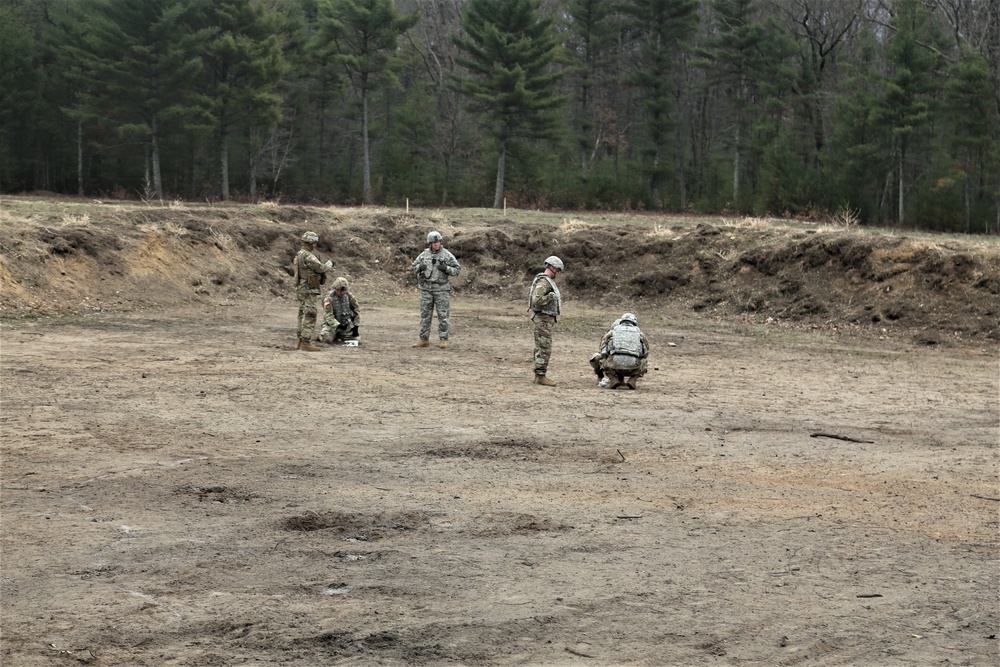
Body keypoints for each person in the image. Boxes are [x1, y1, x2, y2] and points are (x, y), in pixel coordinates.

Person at [410, 230, 460, 349]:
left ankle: (443, 339)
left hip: (441, 289)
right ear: (430, 243)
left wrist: (446, 268)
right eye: (434, 242)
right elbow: (413, 267)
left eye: (438, 242)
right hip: (426, 289)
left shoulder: (446, 255)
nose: (436, 244)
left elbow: (457, 269)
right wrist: (419, 268)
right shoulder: (424, 255)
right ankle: (424, 339)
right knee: (425, 316)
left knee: (443, 315)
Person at [293, 230, 333, 351]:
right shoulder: (308, 255)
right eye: (314, 243)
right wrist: (330, 264)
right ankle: (305, 342)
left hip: (302, 288)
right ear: (311, 243)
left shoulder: (300, 254)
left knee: (302, 313)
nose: (315, 245)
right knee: (310, 313)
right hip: (309, 289)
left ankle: (301, 340)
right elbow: (320, 268)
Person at [589, 312, 649, 389]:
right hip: (633, 366)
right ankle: (633, 379)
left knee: (603, 360)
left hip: (614, 364)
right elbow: (645, 352)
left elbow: (603, 351)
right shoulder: (639, 333)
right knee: (644, 362)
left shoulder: (613, 332)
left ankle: (612, 378)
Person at [529, 255, 564, 386]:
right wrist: (549, 297)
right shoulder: (543, 282)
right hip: (543, 319)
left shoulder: (547, 281)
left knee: (541, 347)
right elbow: (536, 300)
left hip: (545, 320)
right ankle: (540, 375)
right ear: (553, 267)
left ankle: (539, 374)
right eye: (558, 270)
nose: (558, 273)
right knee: (544, 348)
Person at [319, 277, 361, 345]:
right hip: (331, 326)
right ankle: (325, 335)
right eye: (340, 291)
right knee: (327, 339)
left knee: (357, 340)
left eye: (344, 291)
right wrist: (337, 325)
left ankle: (340, 335)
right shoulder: (329, 298)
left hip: (345, 325)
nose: (342, 293)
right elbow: (328, 315)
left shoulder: (349, 296)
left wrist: (356, 326)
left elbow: (356, 311)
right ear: (335, 289)